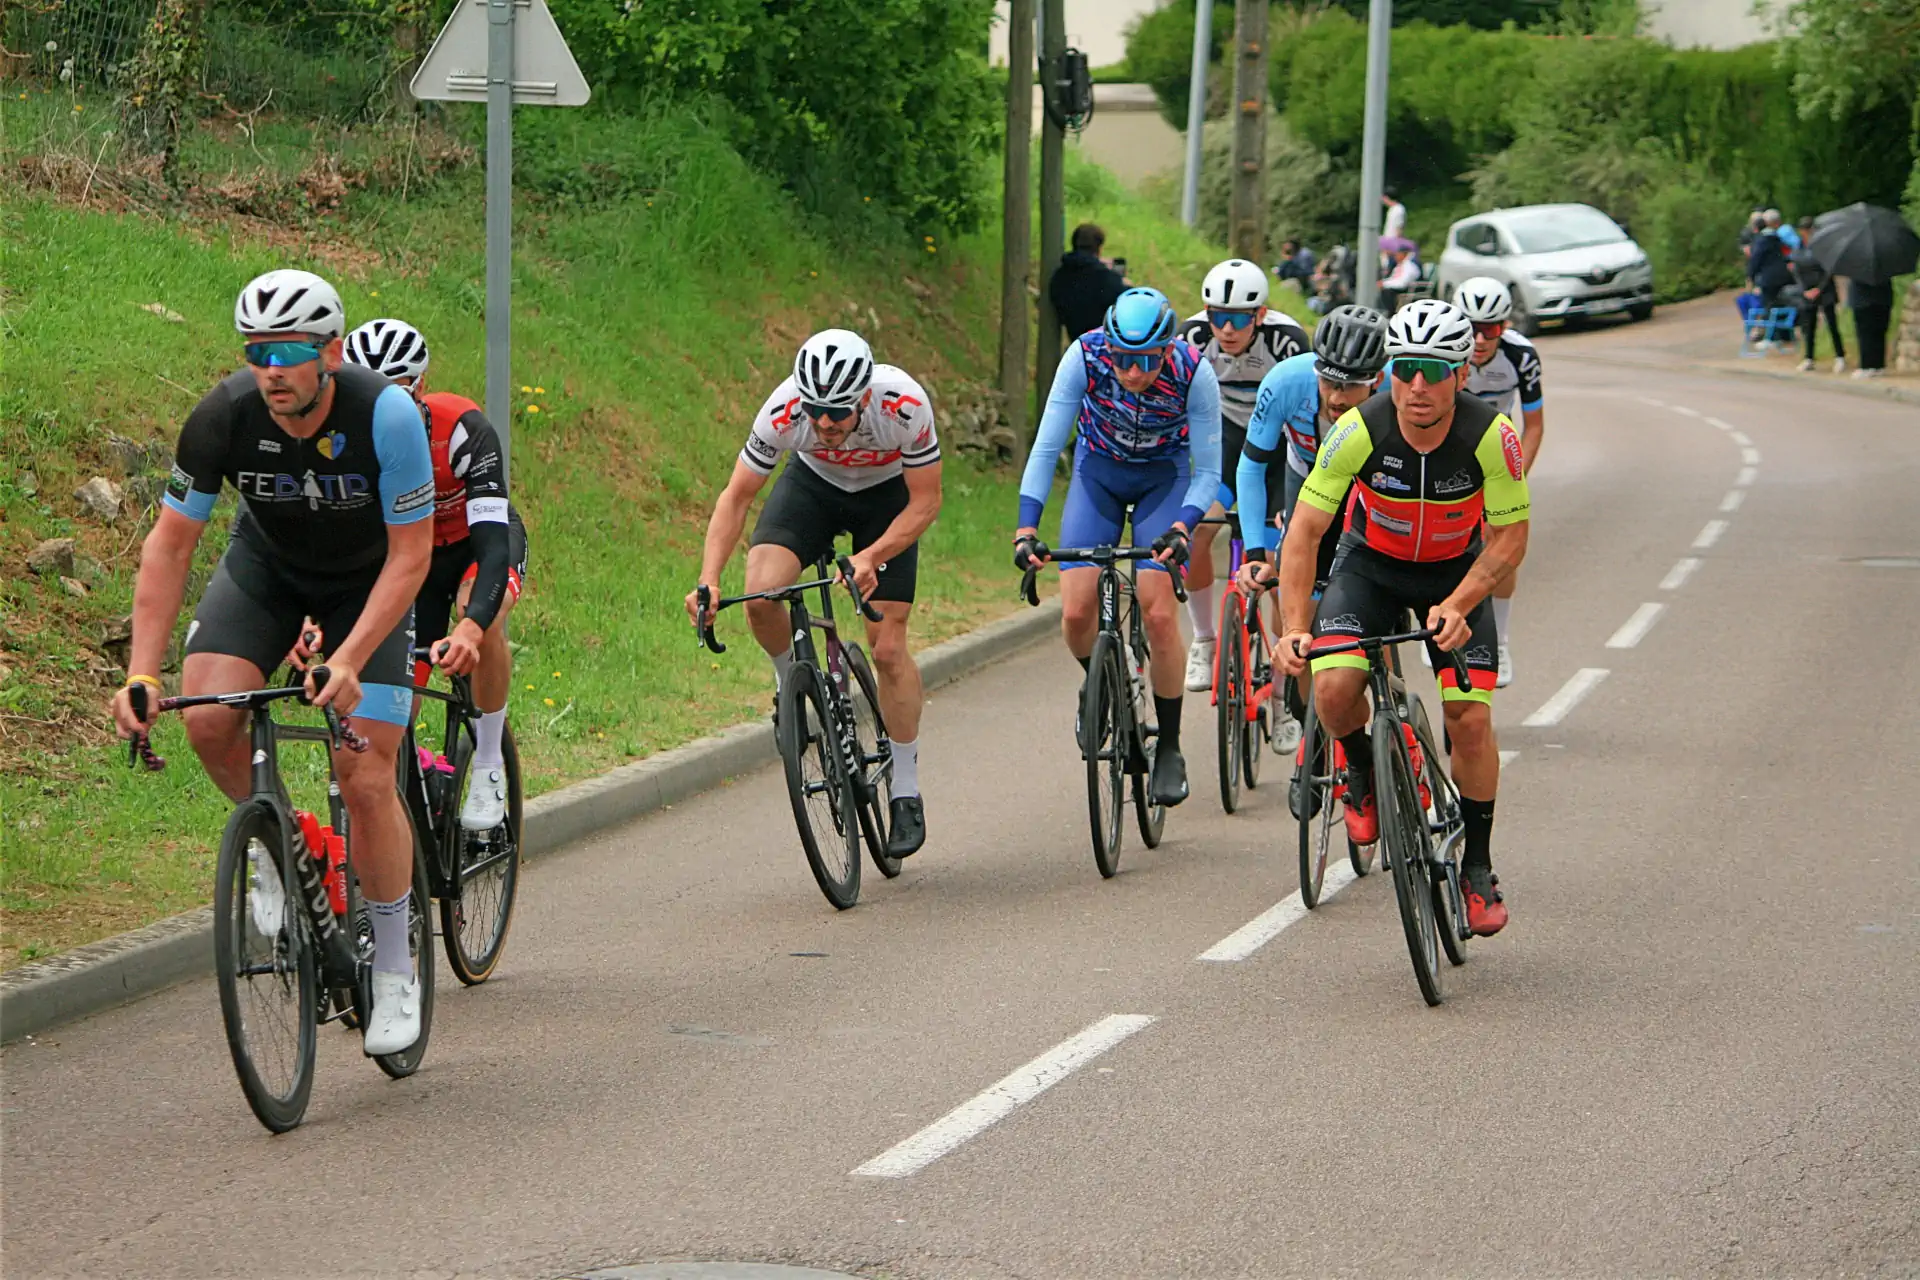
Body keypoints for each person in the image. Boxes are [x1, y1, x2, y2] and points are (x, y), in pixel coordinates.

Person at [109, 269, 434, 1054]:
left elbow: (411, 556)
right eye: (257, 352)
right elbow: (170, 546)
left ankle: (395, 965)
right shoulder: (223, 416)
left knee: (365, 771)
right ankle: (285, 844)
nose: (271, 369)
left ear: (331, 352)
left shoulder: (386, 415)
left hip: (370, 583)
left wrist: (350, 659)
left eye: (288, 351)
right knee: (208, 719)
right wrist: (142, 672)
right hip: (268, 571)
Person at [1274, 298, 1530, 937]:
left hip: (1454, 574)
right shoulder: (1358, 430)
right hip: (1371, 569)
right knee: (1333, 688)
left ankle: (1477, 867)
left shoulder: (1492, 436)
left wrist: (1461, 604)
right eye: (1405, 368)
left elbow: (1510, 540)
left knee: (1469, 721)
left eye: (1434, 370)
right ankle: (1360, 768)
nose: (1417, 385)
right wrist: (1293, 627)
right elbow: (1304, 533)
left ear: (1461, 374)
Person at [686, 330, 941, 856]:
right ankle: (791, 688)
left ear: (864, 397)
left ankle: (906, 790)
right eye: (816, 410)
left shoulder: (904, 405)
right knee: (761, 596)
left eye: (838, 411)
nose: (825, 423)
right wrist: (708, 578)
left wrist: (872, 556)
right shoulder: (783, 410)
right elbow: (736, 498)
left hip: (886, 499)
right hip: (813, 488)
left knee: (888, 648)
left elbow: (926, 501)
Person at [1013, 288, 1223, 807]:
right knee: (1076, 611)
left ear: (1166, 349)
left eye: (1146, 361)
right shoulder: (1085, 356)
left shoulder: (1193, 372)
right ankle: (1100, 678)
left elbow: (1208, 471)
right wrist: (1026, 529)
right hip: (1098, 474)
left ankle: (1169, 745)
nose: (1132, 372)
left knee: (1158, 612)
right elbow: (1046, 447)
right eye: (1122, 359)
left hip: (1163, 479)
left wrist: (1184, 526)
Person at [341, 319, 527, 830]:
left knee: (481, 615)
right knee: (395, 701)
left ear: (421, 386)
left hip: (476, 544)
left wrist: (471, 627)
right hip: (414, 559)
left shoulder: (463, 430)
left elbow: (493, 546)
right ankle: (417, 776)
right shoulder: (346, 444)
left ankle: (488, 761)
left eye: (396, 393)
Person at [1232, 305, 1390, 741]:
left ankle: (1388, 709)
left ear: (1377, 379)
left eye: (1351, 386)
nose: (1336, 397)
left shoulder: (1399, 388)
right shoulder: (1285, 382)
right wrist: (1254, 553)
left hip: (1370, 484)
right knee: (1297, 607)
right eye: (1329, 382)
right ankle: (1314, 734)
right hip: (1306, 481)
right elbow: (1250, 468)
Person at [1176, 260, 1309, 754]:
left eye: (1238, 319)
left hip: (1278, 452)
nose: (1227, 329)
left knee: (1276, 567)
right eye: (1218, 317)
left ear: (1261, 316)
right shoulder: (1192, 338)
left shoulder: (1288, 342)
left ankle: (1282, 693)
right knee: (1197, 531)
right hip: (1229, 446)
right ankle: (1205, 639)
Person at [1453, 277, 1544, 688]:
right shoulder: (1447, 352)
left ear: (1504, 326)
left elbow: (1534, 426)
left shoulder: (1521, 355)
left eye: (1489, 329)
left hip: (1495, 452)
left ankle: (1500, 641)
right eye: (1471, 327)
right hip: (1449, 448)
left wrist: (1512, 481)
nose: (1479, 339)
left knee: (1502, 540)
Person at [1048, 223, 1129, 340]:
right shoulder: (1105, 278)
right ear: (1099, 248)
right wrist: (1124, 283)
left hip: (1076, 338)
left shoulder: (1059, 276)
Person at [1791, 218, 1846, 375]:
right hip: (1807, 290)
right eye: (1805, 230)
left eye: (1809, 229)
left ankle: (1840, 356)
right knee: (1809, 325)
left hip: (1824, 289)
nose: (1807, 233)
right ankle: (1809, 357)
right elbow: (1796, 271)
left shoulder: (1823, 247)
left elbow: (1828, 270)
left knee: (1832, 323)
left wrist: (1819, 288)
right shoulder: (1798, 248)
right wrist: (1805, 290)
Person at [1747, 218, 1794, 321]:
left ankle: (1775, 328)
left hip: (1769, 278)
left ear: (1756, 229)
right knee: (1784, 302)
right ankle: (1787, 325)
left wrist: (1750, 276)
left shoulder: (1760, 241)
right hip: (1785, 274)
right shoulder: (1777, 238)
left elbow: (1755, 260)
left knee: (1770, 305)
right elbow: (1787, 253)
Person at [1849, 275, 1895, 379]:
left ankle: (1866, 365)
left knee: (1865, 333)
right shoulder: (1884, 268)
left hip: (1862, 300)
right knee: (1879, 333)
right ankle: (1878, 365)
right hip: (1883, 300)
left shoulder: (1857, 268)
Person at [1379, 244, 1421, 314]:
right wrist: (1383, 283)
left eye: (1397, 254)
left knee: (1386, 292)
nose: (1395, 257)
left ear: (1403, 255)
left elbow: (1403, 283)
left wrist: (1384, 284)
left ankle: (1392, 313)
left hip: (1409, 289)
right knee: (1384, 290)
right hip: (1403, 287)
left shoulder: (1409, 266)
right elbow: (1394, 278)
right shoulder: (1400, 265)